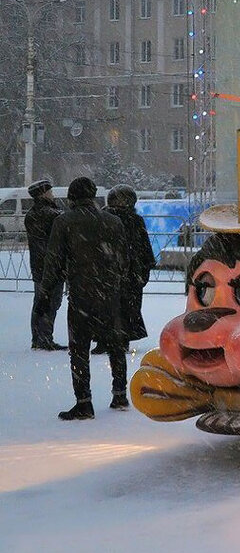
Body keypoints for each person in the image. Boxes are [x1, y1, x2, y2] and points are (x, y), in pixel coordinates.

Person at [41, 176, 130, 420]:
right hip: (109, 294)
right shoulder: (113, 221)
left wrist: (45, 294)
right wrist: (114, 283)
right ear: (93, 195)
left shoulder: (64, 222)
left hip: (81, 295)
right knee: (115, 346)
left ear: (71, 198)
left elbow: (54, 261)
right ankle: (120, 394)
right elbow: (123, 259)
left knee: (79, 350)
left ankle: (84, 402)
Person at [98, 185, 154, 355]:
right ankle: (122, 339)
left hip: (110, 270)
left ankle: (105, 339)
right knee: (128, 307)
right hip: (130, 272)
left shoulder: (104, 218)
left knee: (107, 306)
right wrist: (143, 269)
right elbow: (144, 248)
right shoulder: (133, 220)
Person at [25, 179, 67, 350]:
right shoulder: (51, 214)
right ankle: (45, 338)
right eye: (50, 191)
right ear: (43, 194)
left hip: (39, 265)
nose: (52, 194)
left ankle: (38, 337)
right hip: (52, 266)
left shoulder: (32, 214)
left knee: (40, 302)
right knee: (51, 302)